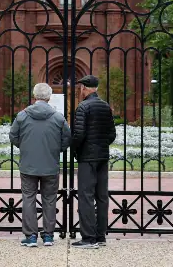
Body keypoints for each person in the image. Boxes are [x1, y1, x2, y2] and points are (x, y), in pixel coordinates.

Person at [9, 82, 71, 247]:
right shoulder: (58, 117)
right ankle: (49, 236)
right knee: (49, 199)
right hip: (50, 165)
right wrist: (56, 150)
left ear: (34, 96)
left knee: (28, 198)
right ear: (49, 97)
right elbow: (66, 138)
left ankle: (30, 237)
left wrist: (25, 147)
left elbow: (13, 136)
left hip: (28, 165)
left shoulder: (22, 115)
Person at [71, 74, 116, 249]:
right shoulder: (105, 106)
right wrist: (101, 145)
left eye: (81, 87)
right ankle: (100, 236)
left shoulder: (83, 107)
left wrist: (74, 149)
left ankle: (88, 238)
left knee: (86, 196)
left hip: (87, 157)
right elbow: (112, 134)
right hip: (102, 157)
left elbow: (79, 134)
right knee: (102, 196)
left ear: (85, 88)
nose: (80, 90)